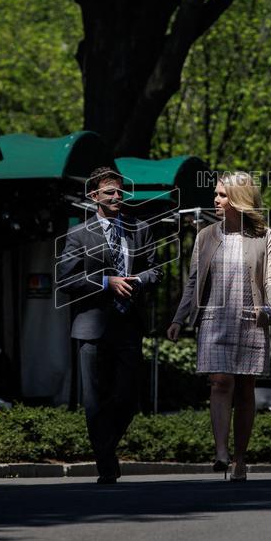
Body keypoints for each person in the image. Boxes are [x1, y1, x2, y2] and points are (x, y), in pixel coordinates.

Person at [167, 172, 271, 482]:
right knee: (219, 381)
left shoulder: (264, 236)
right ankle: (221, 450)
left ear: (238, 199)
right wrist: (179, 318)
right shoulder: (206, 236)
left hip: (251, 318)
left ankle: (240, 458)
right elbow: (193, 281)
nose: (215, 200)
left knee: (245, 388)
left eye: (221, 195)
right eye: (216, 194)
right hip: (214, 319)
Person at [58, 167, 159, 484]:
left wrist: (138, 280)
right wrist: (107, 282)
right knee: (94, 400)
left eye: (120, 192)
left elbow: (155, 270)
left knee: (128, 398)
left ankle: (105, 447)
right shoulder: (78, 235)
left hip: (128, 324)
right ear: (94, 196)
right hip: (92, 327)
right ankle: (106, 463)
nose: (117, 197)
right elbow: (67, 279)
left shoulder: (139, 229)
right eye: (110, 193)